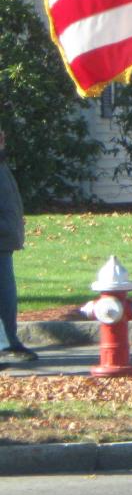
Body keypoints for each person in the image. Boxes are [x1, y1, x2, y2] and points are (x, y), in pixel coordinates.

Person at [0, 127, 36, 364]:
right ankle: (7, 343)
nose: (3, 136)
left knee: (6, 296)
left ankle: (8, 342)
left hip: (5, 240)